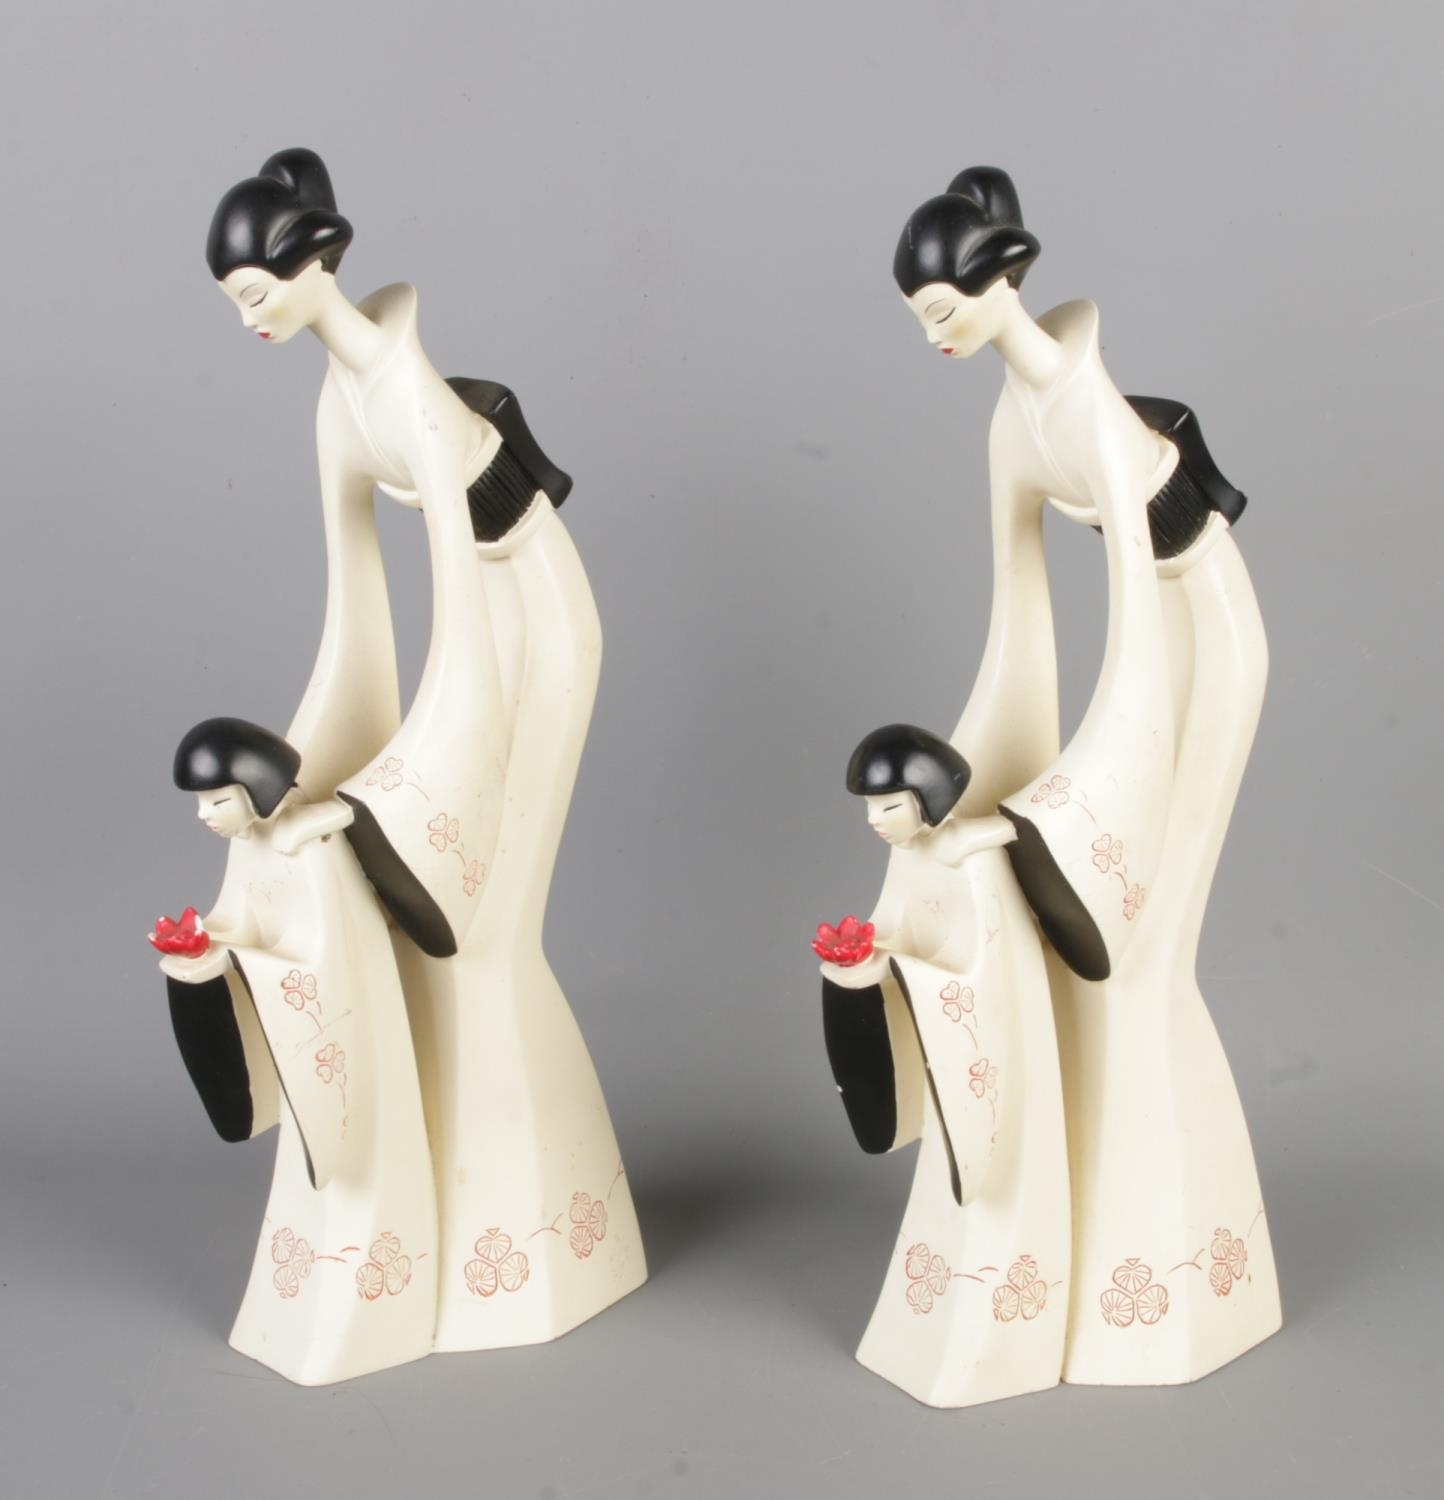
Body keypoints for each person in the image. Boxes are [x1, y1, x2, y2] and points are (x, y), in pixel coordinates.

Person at [200, 151, 646, 1349]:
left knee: (485, 928)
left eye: (256, 293)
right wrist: (298, 773)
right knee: (384, 895)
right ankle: (439, 1218)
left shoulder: (407, 395)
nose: (248, 318)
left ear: (314, 261)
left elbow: (463, 613)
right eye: (234, 301)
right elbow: (357, 609)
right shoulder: (335, 404)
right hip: (472, 628)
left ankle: (532, 1239)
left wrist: (387, 791)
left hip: (536, 621)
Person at [891, 168, 1280, 1383]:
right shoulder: (1009, 423)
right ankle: (1076, 1246)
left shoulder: (1092, 416)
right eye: (918, 318)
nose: (933, 335)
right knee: (1044, 897)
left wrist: (1082, 789)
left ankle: (1162, 1270)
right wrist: (974, 781)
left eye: (941, 310)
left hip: (1206, 640)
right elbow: (1020, 614)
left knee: (1145, 944)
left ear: (1000, 280)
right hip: (1147, 642)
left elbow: (1139, 626)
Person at [159, 718, 436, 1385]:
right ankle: (299, 1294)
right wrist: (207, 947)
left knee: (365, 1162)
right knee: (306, 1183)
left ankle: (379, 1303)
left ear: (257, 788)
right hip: (301, 1030)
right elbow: (240, 916)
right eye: (200, 802)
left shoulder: (311, 850)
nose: (204, 816)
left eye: (217, 800)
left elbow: (323, 957)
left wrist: (241, 959)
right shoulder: (251, 843)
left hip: (351, 1027)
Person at [820, 725, 1069, 1408]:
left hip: (987, 1039)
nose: (875, 823)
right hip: (943, 1038)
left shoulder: (971, 861)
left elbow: (985, 964)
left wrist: (903, 969)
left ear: (929, 798)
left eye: (888, 807)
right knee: (943, 1188)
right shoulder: (910, 854)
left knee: (1000, 1188)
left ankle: (1005, 1337)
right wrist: (864, 959)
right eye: (870, 809)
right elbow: (892, 922)